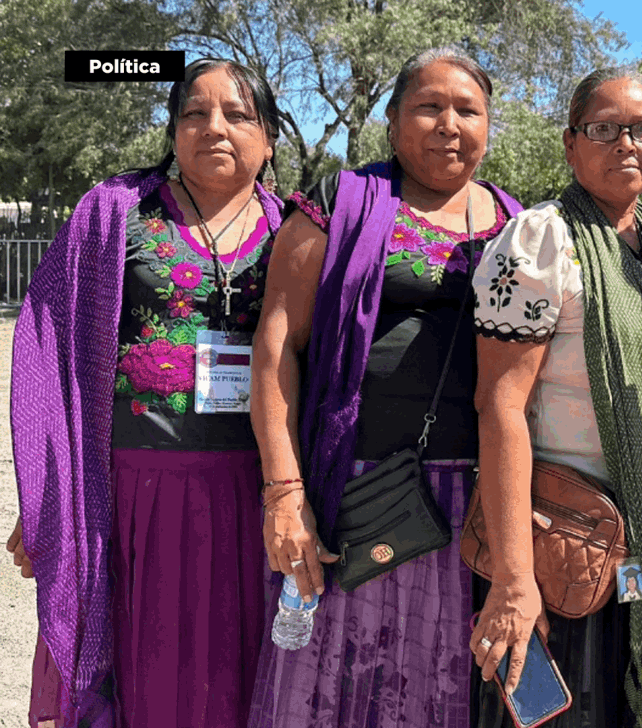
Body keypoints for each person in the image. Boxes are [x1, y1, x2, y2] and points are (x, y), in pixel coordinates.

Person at [248, 49, 523, 727]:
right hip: (359, 496)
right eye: (429, 106)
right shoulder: (338, 209)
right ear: (394, 118)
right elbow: (277, 347)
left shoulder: (519, 224)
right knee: (338, 693)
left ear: (489, 127)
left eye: (468, 110)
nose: (448, 124)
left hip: (479, 510)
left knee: (452, 688)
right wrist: (285, 494)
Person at [7, 58, 284, 726]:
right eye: (194, 112)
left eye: (238, 114)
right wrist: (49, 493)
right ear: (172, 128)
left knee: (243, 675)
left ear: (269, 137)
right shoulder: (115, 212)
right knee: (145, 669)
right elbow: (52, 345)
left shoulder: (294, 229)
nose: (214, 127)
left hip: (252, 494)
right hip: (136, 494)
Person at [470, 67, 642, 728]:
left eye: (641, 130)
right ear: (571, 146)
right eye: (603, 129)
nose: (624, 143)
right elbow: (500, 406)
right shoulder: (541, 240)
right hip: (561, 551)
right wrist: (516, 581)